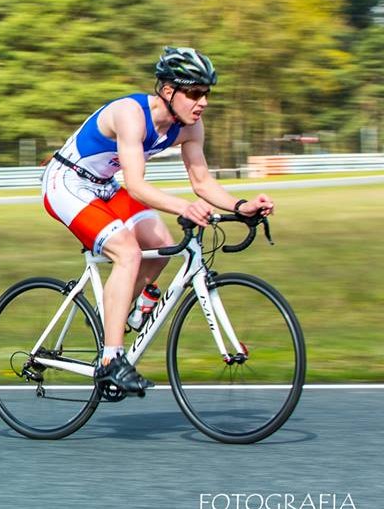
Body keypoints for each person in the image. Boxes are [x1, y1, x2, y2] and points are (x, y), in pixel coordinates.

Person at [41, 46, 274, 393]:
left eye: (206, 93)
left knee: (164, 246)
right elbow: (135, 185)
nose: (203, 102)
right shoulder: (131, 114)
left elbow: (202, 182)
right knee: (129, 253)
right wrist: (184, 207)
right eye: (194, 93)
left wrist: (242, 206)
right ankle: (110, 359)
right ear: (168, 91)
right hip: (67, 182)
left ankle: (118, 318)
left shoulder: (190, 127)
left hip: (104, 186)